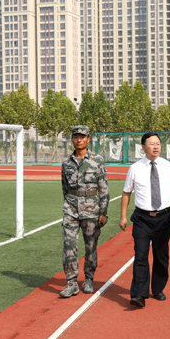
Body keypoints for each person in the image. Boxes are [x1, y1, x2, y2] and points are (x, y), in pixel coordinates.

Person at [120, 131, 170, 308]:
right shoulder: (135, 168)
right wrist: (123, 216)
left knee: (161, 255)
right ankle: (139, 295)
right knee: (140, 255)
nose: (155, 147)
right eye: (151, 144)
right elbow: (126, 193)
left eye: (158, 143)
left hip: (163, 219)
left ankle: (158, 288)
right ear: (143, 147)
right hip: (142, 219)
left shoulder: (168, 166)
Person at [60, 125, 109, 298]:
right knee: (69, 245)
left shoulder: (97, 160)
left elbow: (103, 187)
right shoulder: (66, 163)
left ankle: (89, 278)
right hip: (71, 209)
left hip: (91, 210)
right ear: (72, 139)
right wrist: (69, 204)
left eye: (82, 137)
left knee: (91, 246)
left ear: (88, 139)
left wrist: (103, 212)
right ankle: (72, 282)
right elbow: (64, 187)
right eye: (76, 137)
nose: (78, 140)